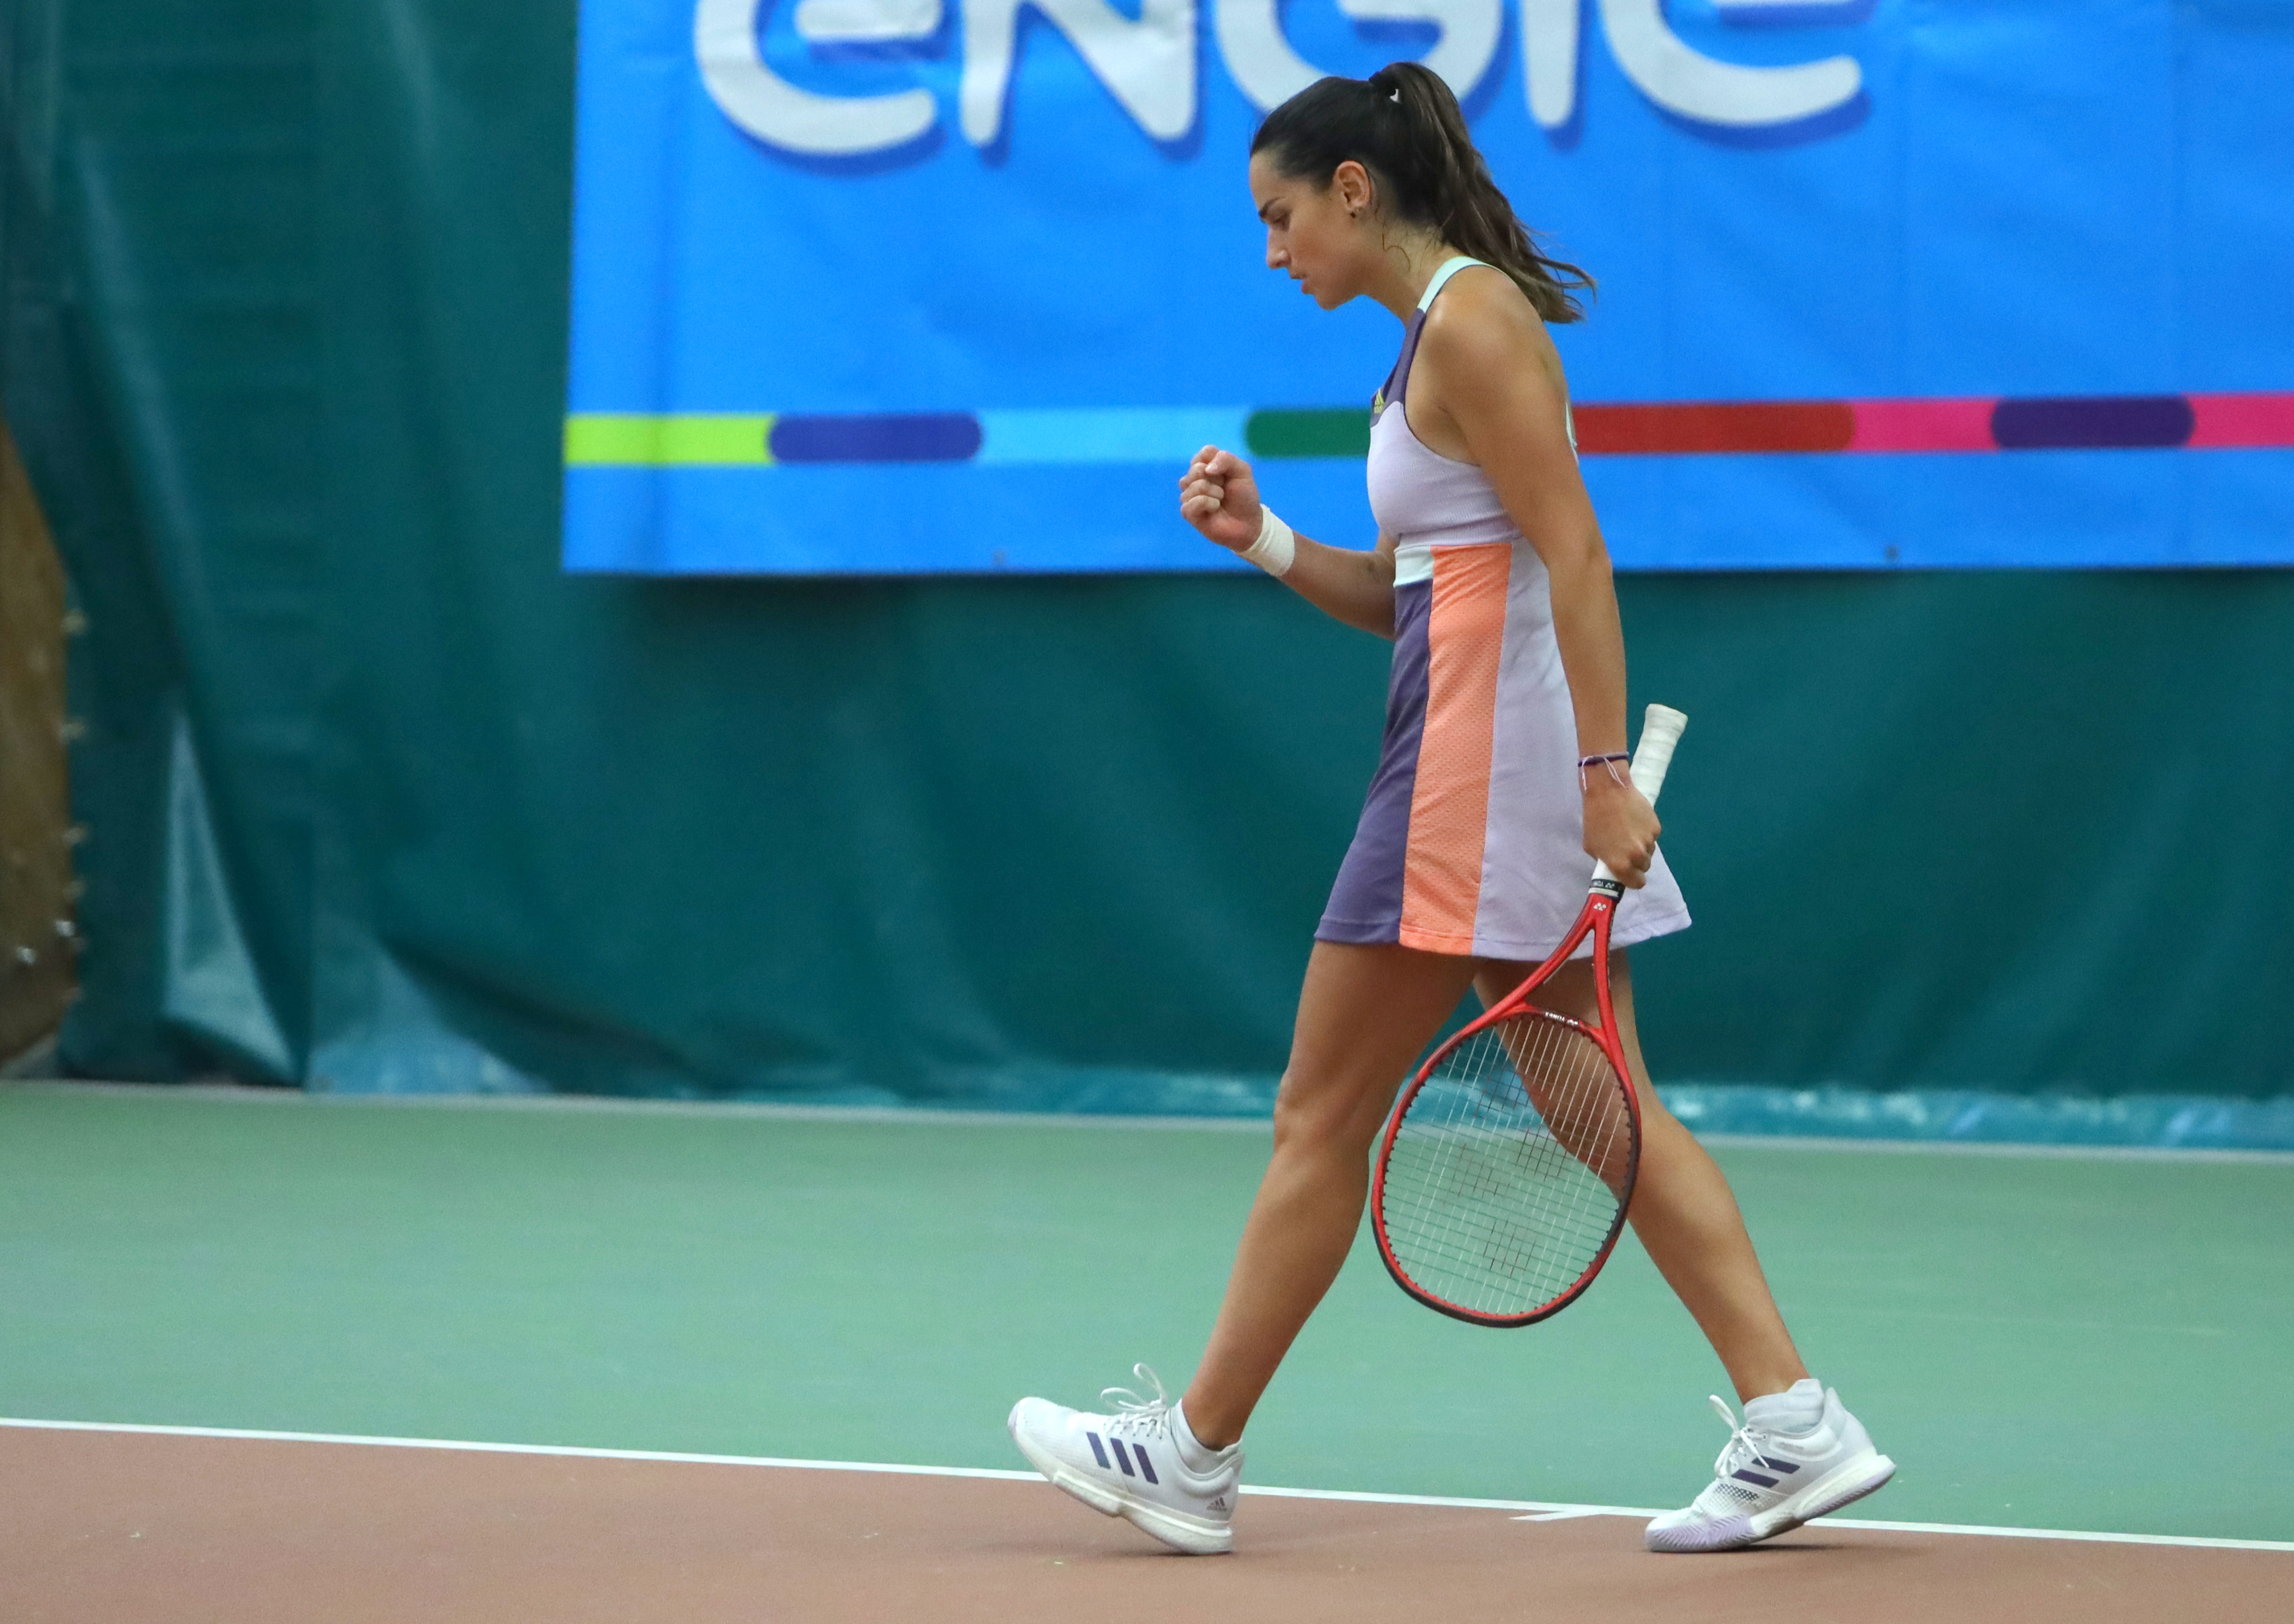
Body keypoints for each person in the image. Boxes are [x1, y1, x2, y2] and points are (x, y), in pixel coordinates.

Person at [1007, 62, 1893, 1558]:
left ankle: (1193, 1451)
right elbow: (1413, 590)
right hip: (1477, 765)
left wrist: (1600, 773)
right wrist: (1265, 540)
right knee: (1599, 1105)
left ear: (1352, 191)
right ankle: (1794, 1417)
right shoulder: (1431, 338)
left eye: (1280, 216)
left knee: (1321, 1112)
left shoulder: (1473, 321)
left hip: (1474, 785)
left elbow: (1575, 553)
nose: (1272, 250)